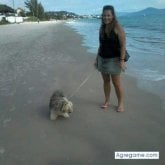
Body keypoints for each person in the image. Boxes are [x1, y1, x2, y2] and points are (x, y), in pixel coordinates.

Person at [95, 5, 126, 112]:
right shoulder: (102, 27)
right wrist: (96, 59)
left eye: (108, 15)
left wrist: (122, 61)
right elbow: (101, 45)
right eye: (104, 15)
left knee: (116, 83)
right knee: (106, 81)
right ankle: (107, 101)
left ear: (113, 16)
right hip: (102, 58)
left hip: (115, 59)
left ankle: (120, 103)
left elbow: (123, 46)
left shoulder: (118, 27)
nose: (106, 17)